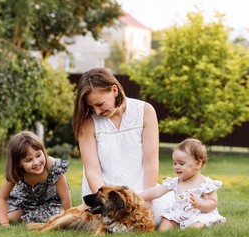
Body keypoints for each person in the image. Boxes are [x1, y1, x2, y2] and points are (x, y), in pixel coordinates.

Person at [72, 67, 174, 226]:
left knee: (165, 215)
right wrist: (106, 204)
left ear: (114, 90)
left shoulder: (145, 111)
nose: (97, 112)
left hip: (140, 192)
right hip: (104, 195)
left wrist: (146, 200)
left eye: (99, 104)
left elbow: (150, 162)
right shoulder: (88, 124)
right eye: (92, 108)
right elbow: (92, 170)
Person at [140, 138, 226, 231]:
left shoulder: (205, 184)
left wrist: (199, 204)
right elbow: (157, 191)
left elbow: (212, 203)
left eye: (181, 163)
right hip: (179, 213)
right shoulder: (175, 182)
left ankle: (202, 226)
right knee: (164, 226)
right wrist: (138, 196)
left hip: (199, 214)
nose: (177, 167)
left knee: (196, 227)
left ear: (198, 164)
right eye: (175, 163)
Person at [0, 130, 72, 226]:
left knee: (55, 216)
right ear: (18, 163)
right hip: (25, 202)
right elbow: (2, 197)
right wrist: (4, 223)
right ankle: (26, 214)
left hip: (51, 202)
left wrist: (66, 220)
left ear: (43, 151)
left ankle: (31, 216)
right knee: (12, 217)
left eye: (38, 155)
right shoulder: (17, 171)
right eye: (28, 160)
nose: (36, 162)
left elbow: (65, 198)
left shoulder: (53, 166)